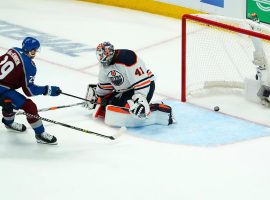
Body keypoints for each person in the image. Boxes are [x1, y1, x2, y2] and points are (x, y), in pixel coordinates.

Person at [84, 42, 174, 127]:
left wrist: (140, 100)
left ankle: (156, 107)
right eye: (99, 55)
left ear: (110, 53)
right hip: (126, 90)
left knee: (135, 110)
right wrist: (98, 96)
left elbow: (142, 82)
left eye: (103, 55)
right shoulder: (104, 66)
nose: (101, 58)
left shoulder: (127, 58)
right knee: (111, 105)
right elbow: (105, 86)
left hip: (145, 86)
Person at [0, 37, 61, 144]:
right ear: (31, 50)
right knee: (29, 106)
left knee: (9, 103)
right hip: (2, 89)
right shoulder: (29, 65)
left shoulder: (13, 50)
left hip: (3, 88)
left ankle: (8, 122)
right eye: (35, 50)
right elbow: (29, 91)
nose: (35, 52)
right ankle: (40, 134)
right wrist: (48, 90)